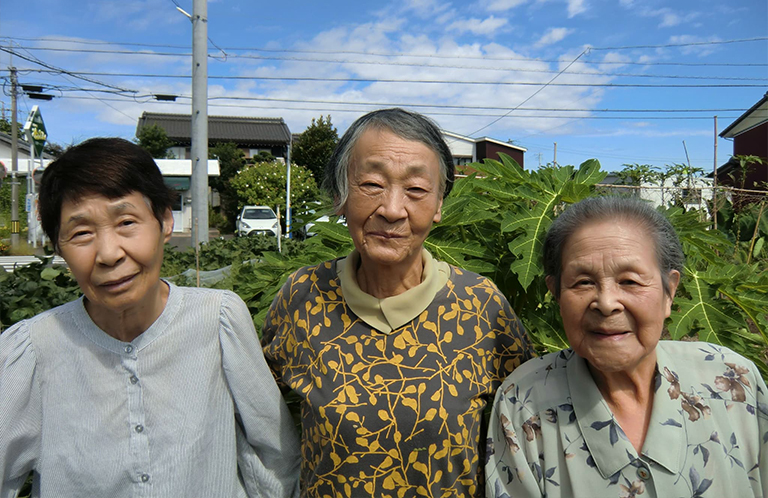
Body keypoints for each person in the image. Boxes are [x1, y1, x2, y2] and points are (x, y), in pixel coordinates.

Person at [0, 138, 300, 498]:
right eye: (81, 234)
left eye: (127, 221)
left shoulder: (218, 320)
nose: (109, 254)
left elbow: (274, 457)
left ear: (165, 222)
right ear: (59, 246)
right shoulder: (32, 349)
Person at [262, 108, 535, 497]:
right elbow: (252, 415)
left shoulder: (480, 306)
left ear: (439, 204)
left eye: (416, 190)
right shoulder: (301, 295)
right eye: (372, 184)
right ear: (342, 196)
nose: (391, 209)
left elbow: (535, 413)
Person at [485, 196, 768, 498]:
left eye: (630, 281)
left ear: (669, 292)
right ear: (556, 293)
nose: (606, 304)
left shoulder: (734, 380)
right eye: (582, 282)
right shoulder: (523, 403)